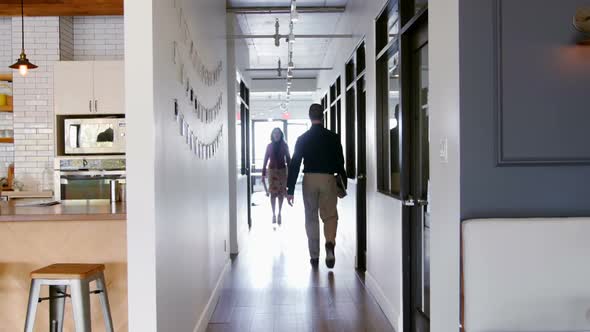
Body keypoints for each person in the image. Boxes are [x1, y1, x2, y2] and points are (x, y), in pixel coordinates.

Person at [287, 104, 347, 268]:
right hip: (328, 178)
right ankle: (329, 243)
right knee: (329, 216)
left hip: (309, 179)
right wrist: (343, 183)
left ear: (309, 116)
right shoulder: (333, 137)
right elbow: (340, 162)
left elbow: (295, 164)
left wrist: (290, 189)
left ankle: (314, 256)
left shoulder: (303, 138)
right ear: (323, 116)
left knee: (311, 217)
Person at [262, 127, 291, 226]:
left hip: (282, 171)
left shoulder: (284, 145)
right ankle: (273, 213)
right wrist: (263, 173)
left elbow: (288, 159)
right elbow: (265, 160)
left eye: (278, 133)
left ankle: (279, 213)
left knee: (281, 193)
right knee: (273, 193)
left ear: (281, 135)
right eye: (274, 133)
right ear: (272, 135)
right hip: (271, 171)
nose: (276, 135)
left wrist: (290, 174)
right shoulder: (269, 146)